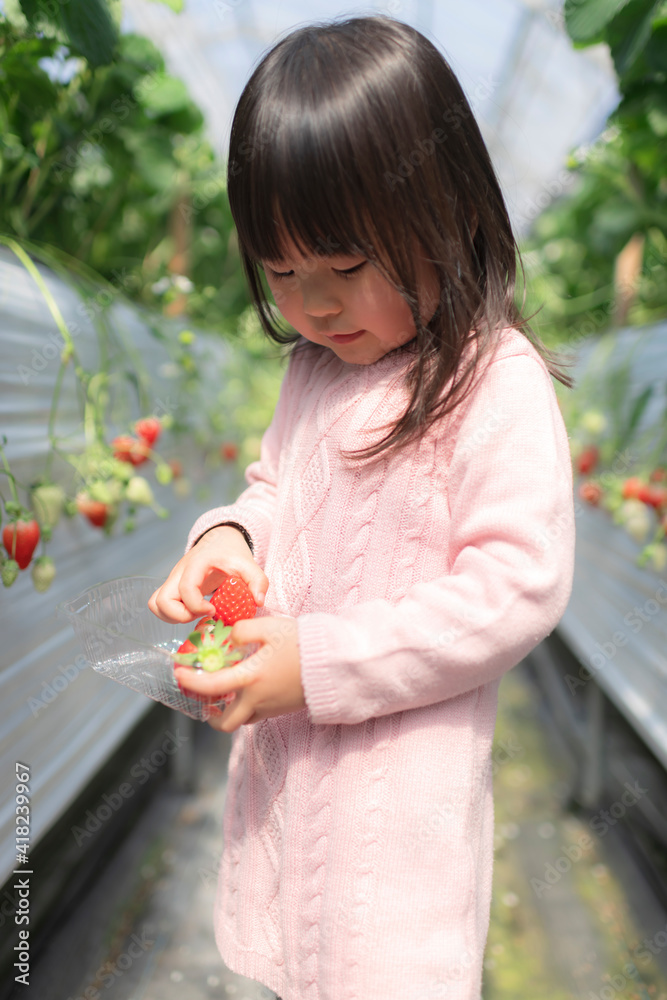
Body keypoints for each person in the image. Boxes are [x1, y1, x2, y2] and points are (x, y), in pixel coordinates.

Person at [149, 14, 576, 1000]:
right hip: (283, 813)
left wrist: (322, 659)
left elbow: (516, 585)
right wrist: (226, 539)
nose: (314, 308)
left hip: (398, 855)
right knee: (285, 965)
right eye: (283, 274)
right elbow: (272, 489)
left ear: (446, 214)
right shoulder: (311, 376)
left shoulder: (490, 381)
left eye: (344, 270)